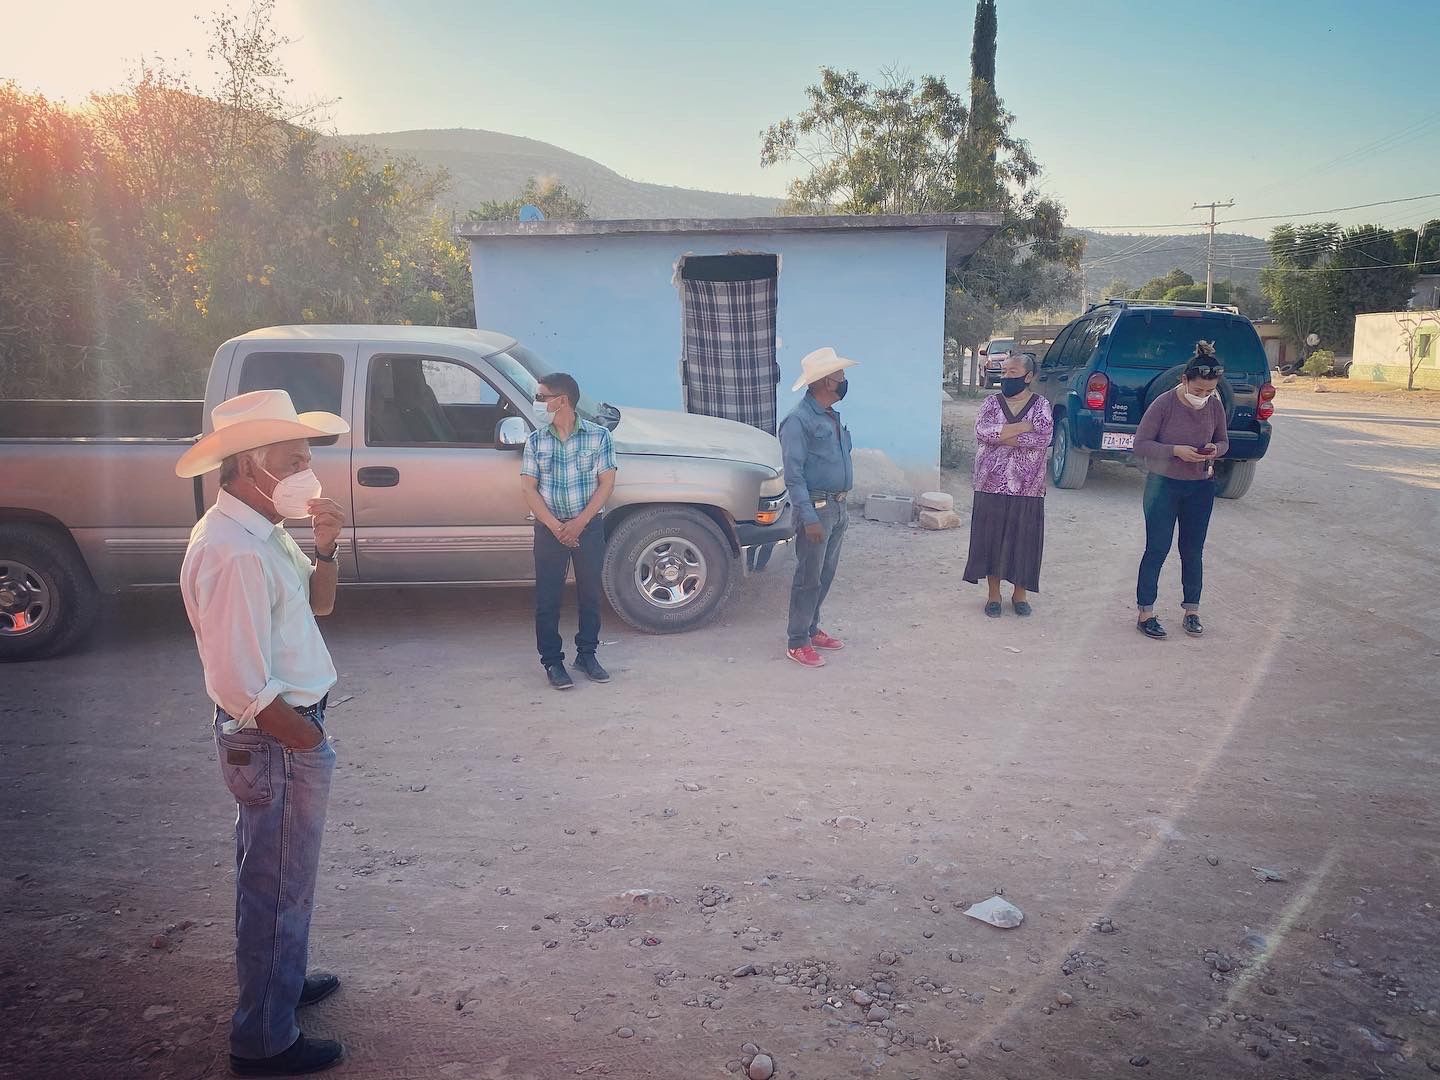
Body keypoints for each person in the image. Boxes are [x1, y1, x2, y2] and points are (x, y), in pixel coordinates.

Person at [174, 390, 351, 1077]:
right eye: (295, 460)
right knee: (275, 886)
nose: (309, 472)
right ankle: (263, 1042)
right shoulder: (232, 550)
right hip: (277, 741)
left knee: (279, 879)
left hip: (285, 737)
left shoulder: (263, 530)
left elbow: (319, 605)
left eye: (307, 458)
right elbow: (241, 686)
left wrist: (325, 547)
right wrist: (308, 742)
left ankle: (281, 983)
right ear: (251, 464)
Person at [521, 372, 618, 689]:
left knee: (590, 594)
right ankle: (552, 661)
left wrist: (579, 523)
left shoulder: (598, 437)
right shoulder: (536, 440)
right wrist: (556, 526)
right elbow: (529, 488)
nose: (537, 403)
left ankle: (587, 655)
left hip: (587, 527)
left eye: (541, 397)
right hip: (549, 530)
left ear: (561, 401)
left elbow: (606, 484)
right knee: (547, 599)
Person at [1132, 341, 1229, 640]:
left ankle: (1192, 611)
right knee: (1157, 548)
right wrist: (1175, 451)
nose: (1203, 396)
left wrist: (1215, 450)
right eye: (1198, 390)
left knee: (1192, 550)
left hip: (1200, 486)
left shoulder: (1214, 405)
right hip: (1163, 485)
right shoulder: (1164, 404)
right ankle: (1146, 613)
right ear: (1184, 380)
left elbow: (1224, 441)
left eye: (1209, 391)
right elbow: (1141, 444)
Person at [779, 346, 857, 668]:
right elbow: (794, 475)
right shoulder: (798, 421)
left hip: (837, 508)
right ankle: (797, 641)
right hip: (817, 509)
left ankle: (811, 627)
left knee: (825, 573)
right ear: (826, 381)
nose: (844, 381)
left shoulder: (829, 416)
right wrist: (809, 516)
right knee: (808, 577)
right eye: (841, 376)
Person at [962, 352, 1054, 616]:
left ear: (1028, 376)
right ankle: (993, 594)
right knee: (991, 539)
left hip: (1028, 486)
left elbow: (1044, 438)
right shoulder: (991, 403)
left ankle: (1020, 595)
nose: (1005, 377)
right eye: (1003, 372)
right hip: (990, 483)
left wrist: (1001, 435)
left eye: (1012, 372)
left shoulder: (1041, 405)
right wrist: (1023, 427)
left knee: (1023, 540)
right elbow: (982, 431)